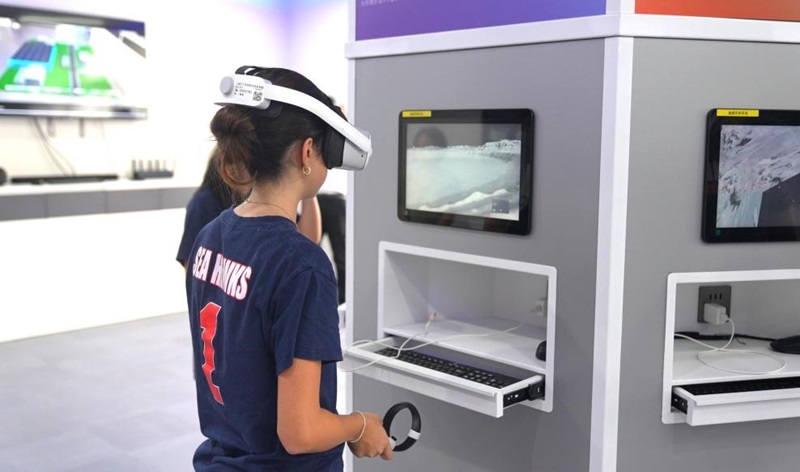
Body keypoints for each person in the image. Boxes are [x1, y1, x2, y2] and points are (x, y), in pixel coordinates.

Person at [185, 66, 392, 470]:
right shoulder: (303, 267)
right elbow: (301, 433)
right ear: (307, 151)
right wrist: (360, 425)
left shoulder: (210, 235)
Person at [176, 152, 322, 268]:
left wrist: (305, 185)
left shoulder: (259, 198)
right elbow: (194, 269)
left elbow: (308, 238)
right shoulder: (204, 203)